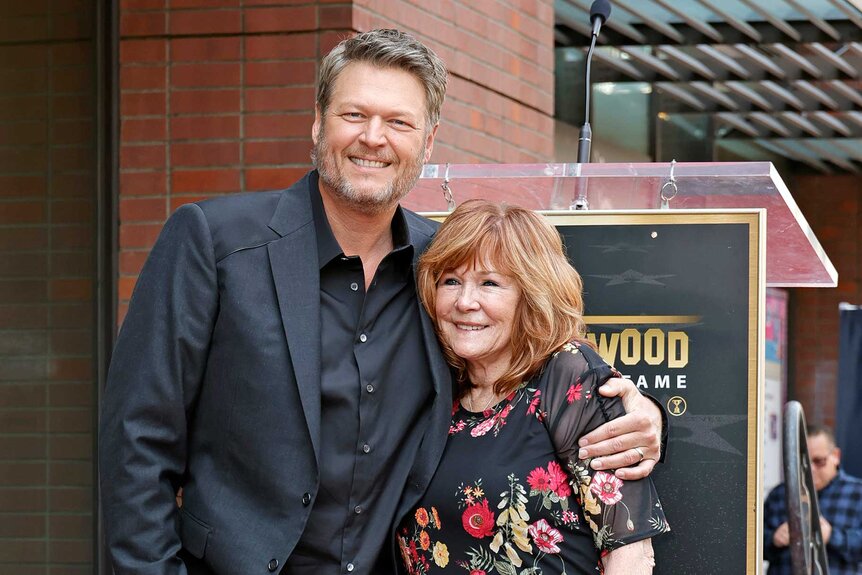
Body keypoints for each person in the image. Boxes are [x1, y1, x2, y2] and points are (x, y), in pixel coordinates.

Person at [99, 29, 665, 575]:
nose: (374, 137)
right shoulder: (215, 241)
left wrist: (636, 414)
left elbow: (523, 370)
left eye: (398, 122)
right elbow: (138, 437)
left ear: (428, 139)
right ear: (318, 124)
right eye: (354, 115)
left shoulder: (442, 266)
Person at [397, 199, 669, 574]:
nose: (464, 301)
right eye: (451, 281)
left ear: (531, 294)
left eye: (489, 283)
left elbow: (631, 554)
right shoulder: (434, 385)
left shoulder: (568, 378)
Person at [764, 424, 862, 574]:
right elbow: (749, 547)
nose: (811, 470)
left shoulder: (858, 493)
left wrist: (832, 536)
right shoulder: (779, 494)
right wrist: (775, 539)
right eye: (802, 462)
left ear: (836, 456)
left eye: (819, 461)